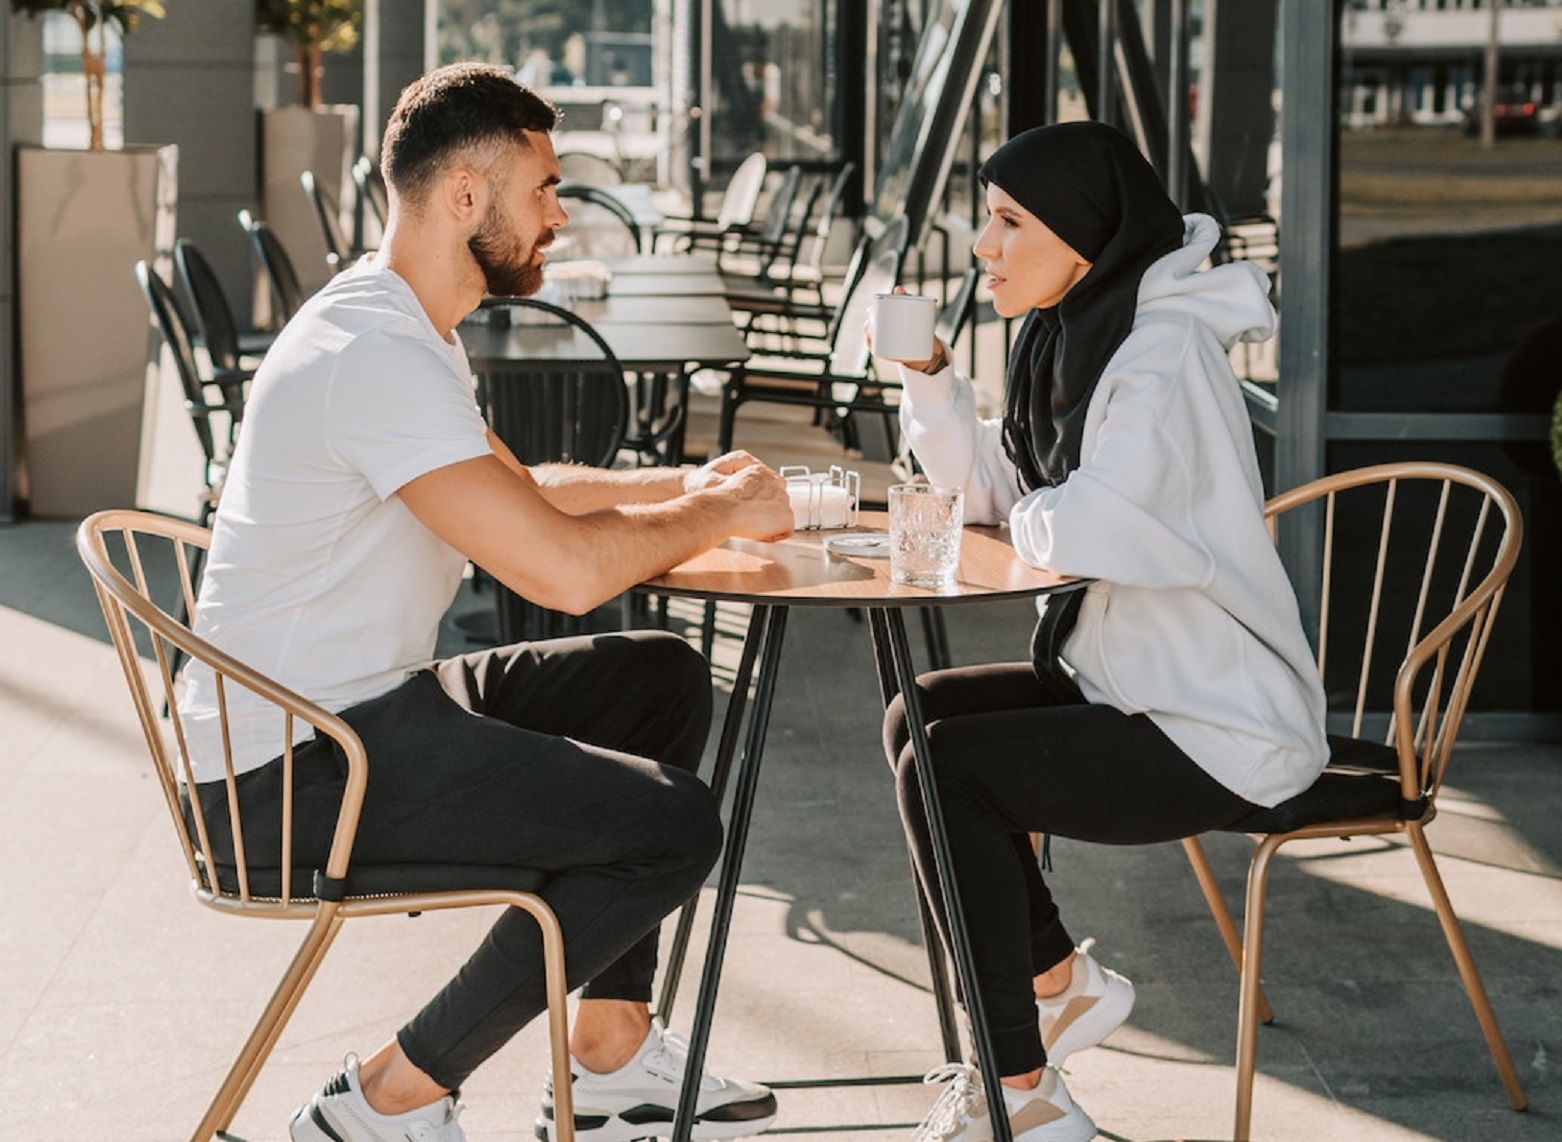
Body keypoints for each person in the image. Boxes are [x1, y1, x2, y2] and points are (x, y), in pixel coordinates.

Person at [179, 63, 795, 1142]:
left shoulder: (403, 327)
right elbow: (557, 571)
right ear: (465, 198)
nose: (561, 214)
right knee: (667, 825)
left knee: (654, 676)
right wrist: (724, 516)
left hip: (351, 708)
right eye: (545, 188)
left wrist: (688, 487)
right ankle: (385, 1099)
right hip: (287, 771)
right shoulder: (371, 351)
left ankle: (607, 1053)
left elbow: (523, 494)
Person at [876, 121, 1329, 1141]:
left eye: (1005, 221)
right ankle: (1056, 982)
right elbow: (993, 488)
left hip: (1215, 720)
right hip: (1127, 682)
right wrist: (929, 375)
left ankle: (1022, 1090)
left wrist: (1023, 517)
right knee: (919, 718)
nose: (981, 245)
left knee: (951, 767)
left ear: (1081, 236)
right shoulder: (1072, 331)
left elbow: (1091, 524)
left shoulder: (1156, 356)